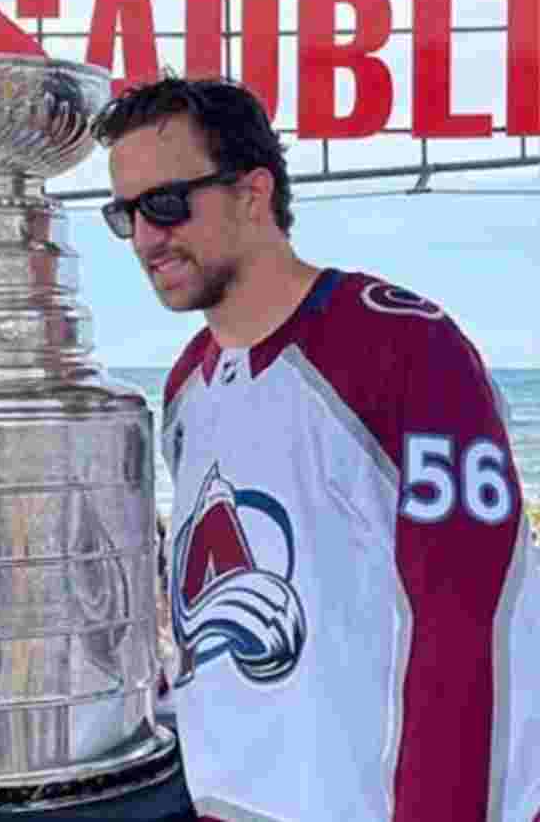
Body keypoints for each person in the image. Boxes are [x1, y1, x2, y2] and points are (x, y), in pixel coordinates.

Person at [96, 73, 540, 821]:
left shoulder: (402, 346)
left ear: (252, 192)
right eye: (125, 213)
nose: (146, 237)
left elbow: (473, 618)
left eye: (167, 204)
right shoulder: (185, 386)